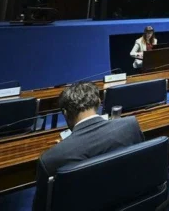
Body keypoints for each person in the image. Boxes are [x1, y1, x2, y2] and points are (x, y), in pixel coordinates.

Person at [33, 82, 144, 211]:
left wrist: (63, 147)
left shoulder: (50, 159)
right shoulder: (130, 126)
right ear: (98, 102)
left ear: (65, 113)